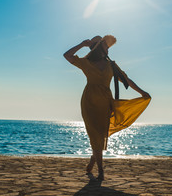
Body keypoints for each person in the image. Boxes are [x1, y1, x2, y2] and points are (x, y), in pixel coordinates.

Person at [64, 35, 151, 181]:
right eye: (106, 46)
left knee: (100, 135)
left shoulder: (111, 66)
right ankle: (101, 171)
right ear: (99, 47)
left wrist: (142, 92)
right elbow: (67, 55)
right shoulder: (86, 62)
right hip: (89, 102)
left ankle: (93, 159)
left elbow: (126, 80)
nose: (108, 49)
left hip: (105, 103)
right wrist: (82, 44)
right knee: (94, 135)